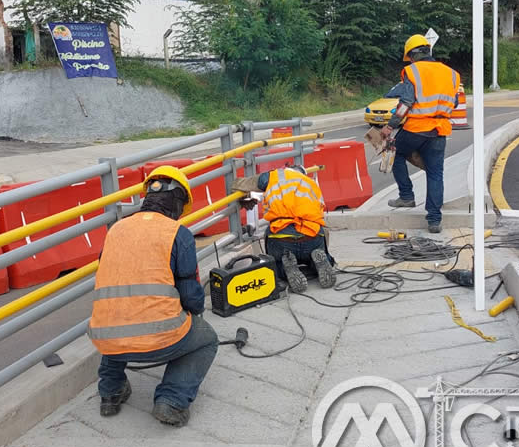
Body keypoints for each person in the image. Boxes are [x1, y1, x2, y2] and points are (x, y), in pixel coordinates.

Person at [88, 166, 218, 428]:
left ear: (147, 197)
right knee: (206, 340)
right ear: (178, 203)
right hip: (159, 336)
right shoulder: (176, 234)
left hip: (104, 334)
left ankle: (110, 393)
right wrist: (194, 312)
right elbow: (191, 296)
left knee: (120, 317)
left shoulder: (116, 230)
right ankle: (172, 400)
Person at [382, 34, 460, 233]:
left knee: (395, 153)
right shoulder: (451, 73)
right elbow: (455, 102)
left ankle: (407, 196)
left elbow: (406, 102)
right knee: (435, 173)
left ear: (413, 54)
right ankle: (434, 220)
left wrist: (390, 126)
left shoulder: (412, 71)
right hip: (439, 130)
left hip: (416, 128)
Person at [233, 165, 335, 293]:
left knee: (275, 264)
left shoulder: (272, 176)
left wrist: (243, 198)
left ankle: (285, 268)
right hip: (312, 236)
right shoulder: (310, 184)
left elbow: (238, 184)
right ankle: (319, 261)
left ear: (286, 168)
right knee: (322, 247)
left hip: (282, 237)